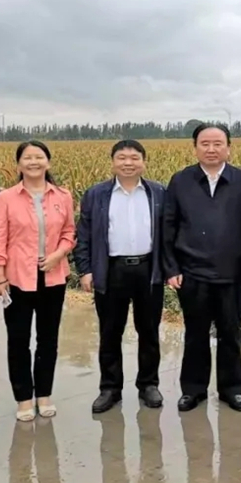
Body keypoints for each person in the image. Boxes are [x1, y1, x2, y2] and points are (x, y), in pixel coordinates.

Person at [162, 122, 241, 413]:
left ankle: (232, 390)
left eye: (218, 143)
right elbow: (168, 226)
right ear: (195, 148)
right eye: (205, 143)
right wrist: (171, 268)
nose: (211, 149)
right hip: (192, 273)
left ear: (229, 147)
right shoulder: (181, 181)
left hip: (232, 274)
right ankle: (193, 390)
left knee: (231, 333)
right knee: (195, 333)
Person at [75, 139, 167, 414]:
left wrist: (170, 269)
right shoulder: (96, 194)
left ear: (144, 162)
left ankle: (148, 384)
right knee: (110, 331)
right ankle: (110, 388)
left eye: (134, 158)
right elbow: (84, 234)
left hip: (148, 269)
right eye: (122, 158)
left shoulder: (158, 192)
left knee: (148, 330)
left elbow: (170, 233)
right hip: (111, 269)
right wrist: (85, 269)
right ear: (113, 162)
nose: (128, 163)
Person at [0, 140, 76, 422]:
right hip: (16, 278)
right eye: (27, 157)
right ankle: (24, 398)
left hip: (53, 276)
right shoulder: (5, 198)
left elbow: (69, 232)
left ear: (48, 162)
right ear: (18, 164)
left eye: (39, 157)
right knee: (18, 340)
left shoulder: (63, 195)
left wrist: (58, 255)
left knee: (48, 339)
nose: (34, 162)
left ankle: (45, 395)